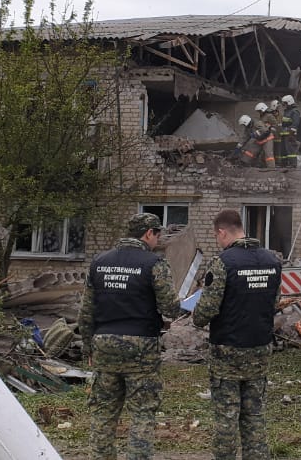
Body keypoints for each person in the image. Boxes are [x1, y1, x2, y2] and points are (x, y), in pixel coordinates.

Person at [78, 213, 181, 460]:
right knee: (142, 413)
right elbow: (170, 308)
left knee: (103, 413)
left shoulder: (99, 262)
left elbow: (85, 311)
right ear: (148, 233)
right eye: (158, 235)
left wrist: (88, 347)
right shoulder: (154, 264)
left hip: (104, 344)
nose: (158, 240)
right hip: (141, 347)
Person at [192, 209, 283, 460]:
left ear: (222, 232)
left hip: (227, 352)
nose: (217, 241)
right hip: (260, 348)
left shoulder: (222, 263)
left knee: (226, 418)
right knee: (255, 416)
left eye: (216, 236)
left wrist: (195, 314)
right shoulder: (272, 261)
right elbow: (274, 302)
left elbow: (206, 311)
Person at [276, 94, 301, 167]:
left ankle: (293, 164)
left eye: (285, 103)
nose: (284, 105)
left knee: (291, 149)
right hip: (284, 134)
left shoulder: (295, 112)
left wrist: (291, 134)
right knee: (283, 150)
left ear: (289, 102)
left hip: (290, 134)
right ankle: (283, 164)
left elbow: (295, 124)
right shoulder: (286, 111)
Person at [253, 102, 278, 168]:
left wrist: (268, 127)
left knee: (268, 153)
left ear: (263, 109)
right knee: (263, 153)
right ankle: (264, 166)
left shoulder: (269, 116)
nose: (259, 112)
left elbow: (275, 126)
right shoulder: (263, 116)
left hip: (269, 136)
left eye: (259, 111)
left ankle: (271, 168)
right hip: (263, 137)